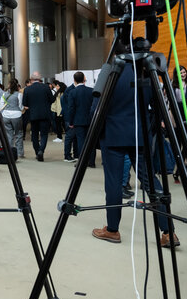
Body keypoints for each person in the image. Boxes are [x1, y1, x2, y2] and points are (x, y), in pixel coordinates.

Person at [92, 56, 179, 248]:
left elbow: (97, 106)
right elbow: (157, 108)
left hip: (113, 135)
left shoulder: (111, 71)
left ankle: (112, 230)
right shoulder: (147, 72)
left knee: (113, 183)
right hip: (140, 137)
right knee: (151, 182)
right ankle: (168, 232)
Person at [21, 71, 54, 161]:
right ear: (40, 79)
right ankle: (41, 151)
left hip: (33, 115)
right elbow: (52, 99)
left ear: (31, 79)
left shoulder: (27, 89)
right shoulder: (46, 87)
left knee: (34, 135)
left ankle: (37, 152)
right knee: (44, 134)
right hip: (45, 114)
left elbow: (24, 103)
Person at [66, 72, 96, 168]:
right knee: (91, 140)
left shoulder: (72, 92)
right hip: (91, 119)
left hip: (78, 120)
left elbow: (71, 109)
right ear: (84, 79)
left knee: (81, 141)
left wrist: (70, 122)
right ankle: (91, 161)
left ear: (74, 80)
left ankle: (83, 161)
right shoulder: (91, 91)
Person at [0, 78, 24, 158]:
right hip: (16, 115)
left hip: (6, 115)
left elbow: (1, 105)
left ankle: (9, 152)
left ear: (9, 85)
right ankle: (19, 153)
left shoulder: (4, 94)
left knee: (9, 134)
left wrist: (4, 112)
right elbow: (20, 106)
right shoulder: (19, 94)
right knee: (18, 134)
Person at [61, 79, 78, 162]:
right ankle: (67, 155)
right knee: (70, 136)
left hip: (73, 116)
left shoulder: (71, 89)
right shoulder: (70, 90)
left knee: (74, 137)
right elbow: (70, 106)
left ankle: (76, 154)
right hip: (69, 117)